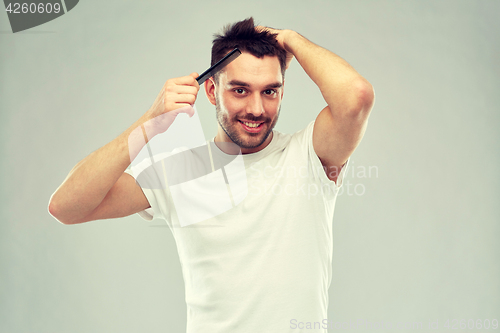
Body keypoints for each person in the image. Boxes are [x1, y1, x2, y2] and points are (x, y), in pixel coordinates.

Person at [49, 17, 374, 333]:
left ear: (282, 92)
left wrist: (290, 39)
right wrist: (150, 122)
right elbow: (66, 207)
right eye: (240, 90)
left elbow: (355, 97)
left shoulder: (309, 155)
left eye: (270, 91)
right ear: (210, 90)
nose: (257, 109)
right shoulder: (177, 171)